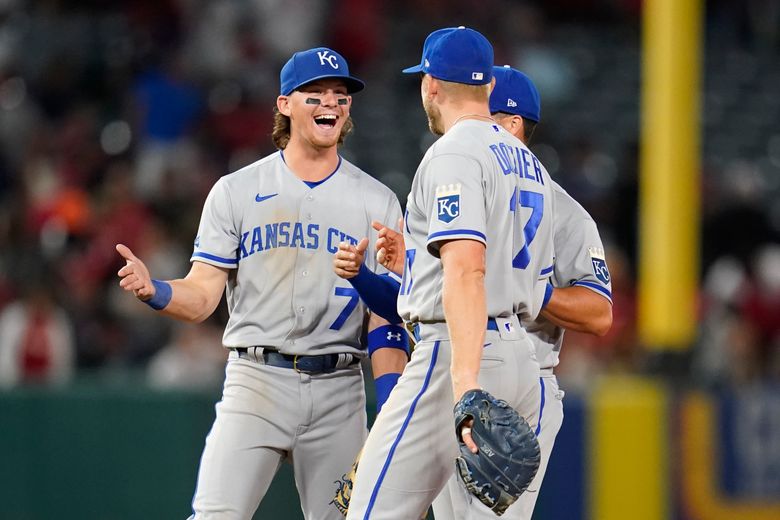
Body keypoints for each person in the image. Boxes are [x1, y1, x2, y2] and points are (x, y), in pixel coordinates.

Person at [116, 47, 404, 520]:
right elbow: (204, 296)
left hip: (340, 386)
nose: (330, 102)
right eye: (314, 94)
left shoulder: (377, 200)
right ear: (285, 104)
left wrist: (390, 408)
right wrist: (157, 291)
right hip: (256, 381)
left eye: (340, 94)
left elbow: (386, 317)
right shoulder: (237, 191)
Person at [342, 27, 556, 520]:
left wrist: (465, 386)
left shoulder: (453, 153)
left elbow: (466, 271)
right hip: (520, 355)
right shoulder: (528, 163)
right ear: (486, 89)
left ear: (431, 85)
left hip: (458, 353)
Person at [430, 66, 614, 520]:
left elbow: (599, 313)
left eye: (481, 111)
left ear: (512, 124)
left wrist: (530, 290)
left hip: (521, 378)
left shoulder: (564, 210)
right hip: (453, 373)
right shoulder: (461, 182)